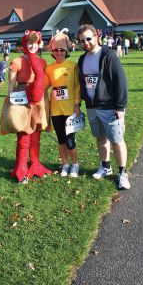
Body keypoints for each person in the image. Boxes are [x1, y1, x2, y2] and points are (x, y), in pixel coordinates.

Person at [77, 24, 130, 190]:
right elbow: (82, 83)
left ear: (96, 37)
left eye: (88, 38)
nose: (85, 43)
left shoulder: (109, 55)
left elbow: (120, 82)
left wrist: (120, 107)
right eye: (82, 41)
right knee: (100, 138)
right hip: (92, 107)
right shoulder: (82, 59)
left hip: (109, 107)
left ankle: (123, 173)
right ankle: (105, 167)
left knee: (117, 140)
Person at [5, 30, 52, 183]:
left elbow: (45, 82)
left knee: (36, 132)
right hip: (22, 97)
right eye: (30, 42)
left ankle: (35, 163)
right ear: (25, 43)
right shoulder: (17, 62)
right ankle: (21, 166)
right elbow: (11, 84)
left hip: (38, 99)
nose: (32, 46)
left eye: (35, 43)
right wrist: (11, 101)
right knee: (24, 132)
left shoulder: (42, 62)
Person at [45, 30, 81, 177]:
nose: (59, 52)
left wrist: (77, 104)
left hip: (70, 109)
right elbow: (43, 86)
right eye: (56, 50)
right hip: (55, 110)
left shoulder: (73, 66)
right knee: (60, 140)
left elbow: (77, 86)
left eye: (61, 50)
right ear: (52, 52)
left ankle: (75, 164)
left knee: (70, 140)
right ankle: (65, 164)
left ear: (66, 51)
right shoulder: (49, 68)